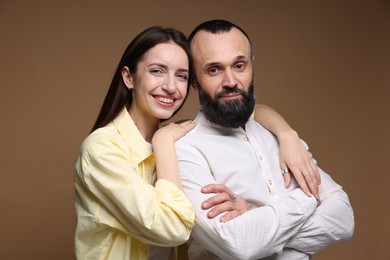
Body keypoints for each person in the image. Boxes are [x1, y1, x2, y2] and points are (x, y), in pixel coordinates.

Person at [74, 25, 325, 260]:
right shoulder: (102, 151)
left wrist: (286, 134)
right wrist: (162, 143)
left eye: (181, 76)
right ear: (129, 77)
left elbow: (249, 110)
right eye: (157, 71)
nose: (171, 87)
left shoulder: (179, 135)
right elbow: (172, 228)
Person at [176, 19, 355, 260]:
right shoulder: (185, 149)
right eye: (214, 70)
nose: (230, 81)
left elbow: (344, 218)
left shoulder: (281, 137)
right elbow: (238, 245)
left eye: (239, 65)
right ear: (195, 81)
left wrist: (256, 220)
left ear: (251, 66)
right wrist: (310, 198)